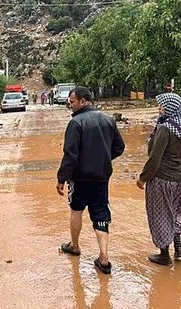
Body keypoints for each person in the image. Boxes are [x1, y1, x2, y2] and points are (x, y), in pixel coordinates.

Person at [57, 86, 125, 275]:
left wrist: (61, 178)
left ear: (83, 101)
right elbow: (119, 147)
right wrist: (103, 159)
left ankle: (75, 245)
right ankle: (104, 258)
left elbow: (70, 155)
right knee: (101, 214)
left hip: (80, 178)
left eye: (72, 102)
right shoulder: (108, 119)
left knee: (76, 209)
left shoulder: (76, 123)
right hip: (102, 177)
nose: (70, 106)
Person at [136, 93, 181, 266]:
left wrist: (143, 178)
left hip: (164, 179)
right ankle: (178, 246)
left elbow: (155, 158)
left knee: (160, 214)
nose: (159, 108)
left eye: (162, 106)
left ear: (170, 108)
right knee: (174, 211)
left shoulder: (165, 129)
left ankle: (164, 255)